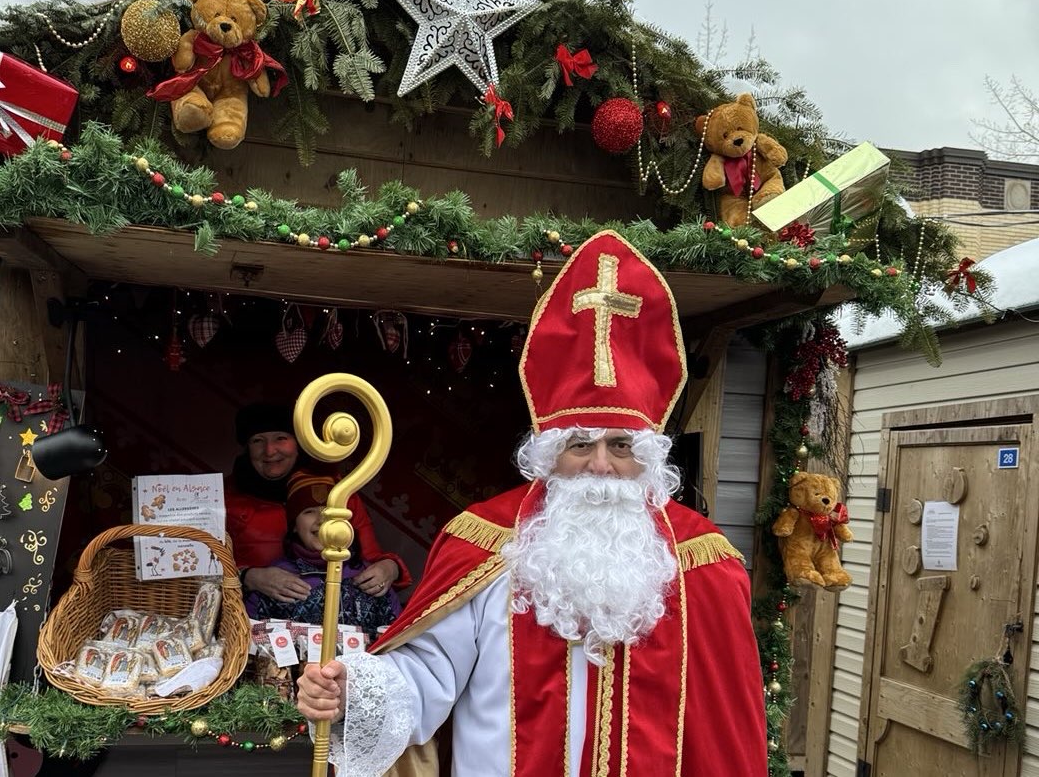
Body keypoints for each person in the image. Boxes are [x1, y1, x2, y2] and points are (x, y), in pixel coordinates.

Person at [297, 230, 766, 777]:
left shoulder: (703, 561)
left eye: (620, 446)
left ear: (648, 458)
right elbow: (428, 674)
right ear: (547, 454)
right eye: (579, 445)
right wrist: (353, 690)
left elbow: (727, 727)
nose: (600, 465)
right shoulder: (486, 542)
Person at [226, 403, 411, 604]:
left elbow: (370, 558)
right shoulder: (225, 498)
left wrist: (390, 568)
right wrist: (249, 577)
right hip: (246, 613)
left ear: (299, 443)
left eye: (281, 438)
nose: (269, 451)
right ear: (247, 448)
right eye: (257, 441)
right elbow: (204, 573)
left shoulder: (337, 491)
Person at [245, 469, 402, 631]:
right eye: (309, 512)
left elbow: (397, 637)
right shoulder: (272, 581)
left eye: (328, 510)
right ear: (294, 526)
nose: (321, 520)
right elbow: (246, 636)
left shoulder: (371, 577)